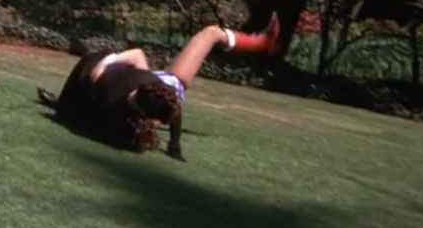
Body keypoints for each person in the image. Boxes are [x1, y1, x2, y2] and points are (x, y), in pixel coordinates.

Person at [37, 14, 281, 160]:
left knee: (210, 34)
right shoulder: (160, 96)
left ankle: (263, 43)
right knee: (211, 34)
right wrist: (174, 146)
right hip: (172, 83)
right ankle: (262, 43)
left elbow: (137, 62)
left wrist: (109, 62)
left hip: (157, 85)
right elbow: (173, 111)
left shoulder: (127, 101)